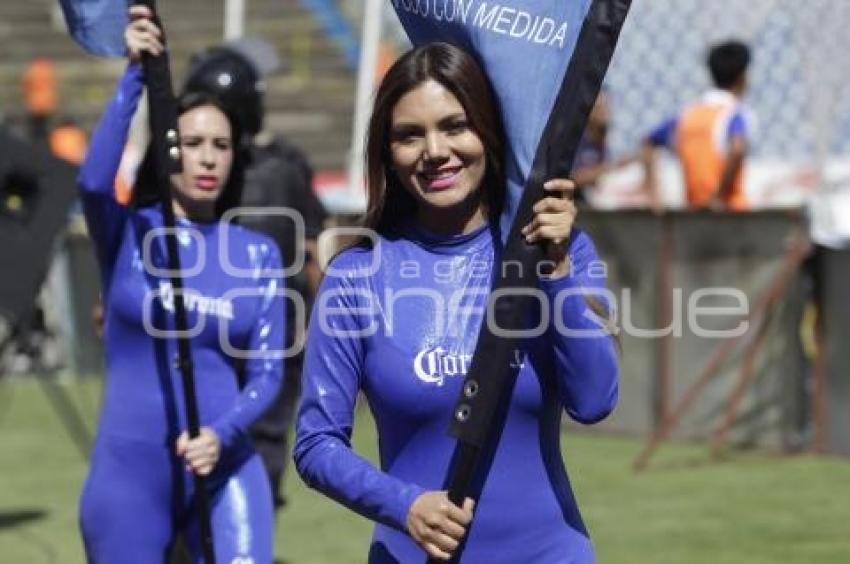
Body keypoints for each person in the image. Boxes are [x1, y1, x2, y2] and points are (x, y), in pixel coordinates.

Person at [294, 42, 619, 563]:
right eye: (409, 135)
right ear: (387, 152)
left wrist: (556, 272)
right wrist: (405, 505)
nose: (435, 151)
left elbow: (595, 398)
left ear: (488, 132)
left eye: (454, 126)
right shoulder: (357, 277)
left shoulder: (555, 249)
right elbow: (315, 446)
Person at [77, 6, 284, 562]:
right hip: (129, 477)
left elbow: (267, 373)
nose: (207, 158)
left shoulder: (256, 253)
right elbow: (93, 179)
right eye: (192, 143)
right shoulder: (129, 232)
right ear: (169, 149)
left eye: (220, 144)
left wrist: (222, 433)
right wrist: (135, 76)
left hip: (223, 466)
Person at [181, 43, 328, 518]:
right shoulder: (285, 170)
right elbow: (313, 253)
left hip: (219, 336)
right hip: (276, 338)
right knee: (259, 446)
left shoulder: (192, 178)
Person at [641, 40, 753, 211]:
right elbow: (737, 149)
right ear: (742, 77)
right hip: (731, 212)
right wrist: (718, 197)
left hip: (695, 212)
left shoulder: (686, 116)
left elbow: (648, 142)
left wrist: (653, 196)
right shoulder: (734, 114)